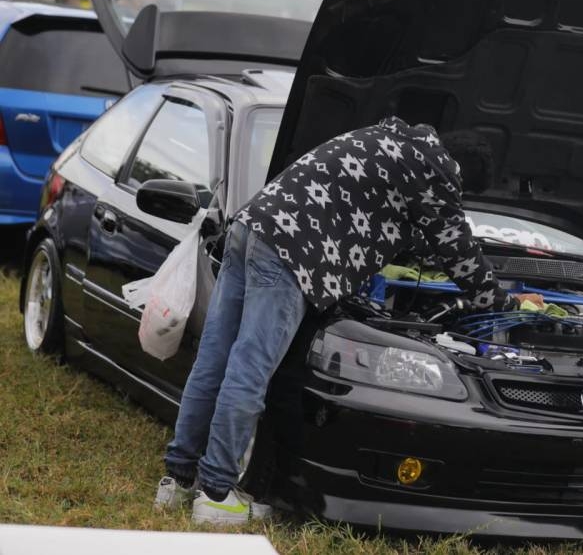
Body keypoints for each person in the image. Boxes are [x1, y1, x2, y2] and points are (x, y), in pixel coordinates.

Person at [154, 116, 543, 525]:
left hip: (251, 227)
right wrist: (505, 301)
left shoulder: (389, 140)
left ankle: (177, 481)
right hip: (289, 250)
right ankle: (215, 495)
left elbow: (396, 229)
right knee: (250, 370)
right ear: (461, 172)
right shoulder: (435, 170)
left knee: (214, 360)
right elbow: (456, 250)